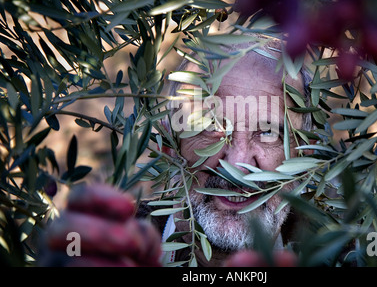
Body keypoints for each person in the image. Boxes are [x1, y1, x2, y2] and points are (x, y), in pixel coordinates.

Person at [39, 35, 313, 267]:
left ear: (302, 155)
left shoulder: (347, 253)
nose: (237, 164)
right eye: (209, 126)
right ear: (171, 145)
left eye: (268, 133)